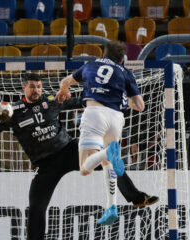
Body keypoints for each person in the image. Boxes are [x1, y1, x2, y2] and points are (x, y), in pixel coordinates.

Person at [0, 72, 157, 240]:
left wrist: (112, 100)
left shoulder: (52, 101)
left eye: (38, 86)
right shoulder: (13, 111)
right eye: (32, 86)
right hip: (45, 164)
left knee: (108, 160)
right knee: (36, 207)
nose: (36, 90)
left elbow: (83, 101)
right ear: (23, 87)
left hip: (68, 150)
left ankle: (136, 197)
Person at [55, 40, 153, 225]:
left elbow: (66, 81)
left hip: (94, 113)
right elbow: (140, 106)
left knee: (85, 168)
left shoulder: (90, 65)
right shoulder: (125, 73)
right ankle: (111, 206)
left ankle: (108, 152)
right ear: (122, 59)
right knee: (108, 163)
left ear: (103, 54)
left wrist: (63, 92)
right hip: (116, 118)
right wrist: (129, 102)